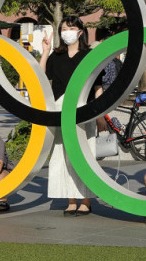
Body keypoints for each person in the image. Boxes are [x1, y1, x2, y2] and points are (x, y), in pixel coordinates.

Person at [40, 15, 103, 216]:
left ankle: (86, 199)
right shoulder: (56, 57)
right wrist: (45, 52)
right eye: (64, 28)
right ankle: (71, 199)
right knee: (63, 155)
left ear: (80, 31)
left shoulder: (89, 55)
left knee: (85, 154)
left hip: (84, 110)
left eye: (71, 28)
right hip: (61, 110)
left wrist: (101, 114)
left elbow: (98, 87)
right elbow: (41, 78)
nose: (67, 32)